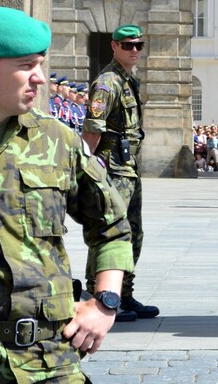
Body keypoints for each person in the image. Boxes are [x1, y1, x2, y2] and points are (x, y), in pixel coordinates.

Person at [0, 7, 134, 383]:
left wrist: (106, 302)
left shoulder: (55, 140)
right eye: (26, 65)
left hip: (49, 361)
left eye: (41, 64)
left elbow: (113, 226)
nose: (39, 78)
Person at [82, 23, 159, 322]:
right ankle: (97, 295)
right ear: (114, 46)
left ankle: (124, 294)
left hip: (127, 170)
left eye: (139, 45)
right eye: (128, 45)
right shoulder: (108, 83)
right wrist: (87, 169)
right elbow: (92, 130)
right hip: (110, 171)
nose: (135, 50)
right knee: (109, 232)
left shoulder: (128, 80)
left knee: (133, 234)